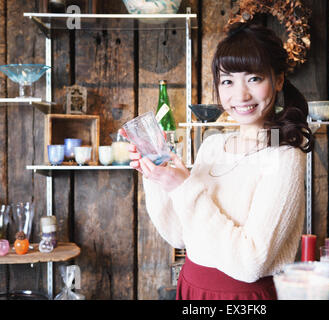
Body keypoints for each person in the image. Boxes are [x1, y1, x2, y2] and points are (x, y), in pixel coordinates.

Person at [119, 22, 313, 300]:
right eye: (227, 81)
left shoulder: (282, 156)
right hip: (192, 288)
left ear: (278, 80)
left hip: (243, 297)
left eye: (254, 78)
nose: (240, 95)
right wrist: (158, 176)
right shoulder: (212, 146)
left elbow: (250, 263)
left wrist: (184, 188)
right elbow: (180, 236)